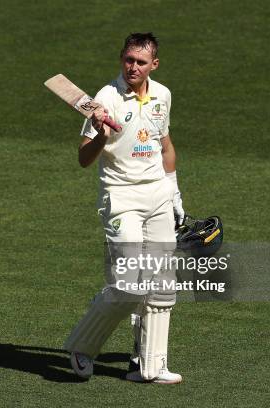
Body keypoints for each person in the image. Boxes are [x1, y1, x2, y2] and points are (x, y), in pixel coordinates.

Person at [64, 32, 183, 383]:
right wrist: (101, 133)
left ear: (154, 65)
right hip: (121, 198)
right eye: (128, 60)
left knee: (161, 284)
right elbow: (84, 158)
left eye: (141, 62)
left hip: (158, 196)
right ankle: (82, 346)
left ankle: (150, 365)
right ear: (122, 58)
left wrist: (174, 194)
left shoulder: (163, 95)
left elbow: (166, 147)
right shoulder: (105, 98)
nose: (133, 67)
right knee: (129, 284)